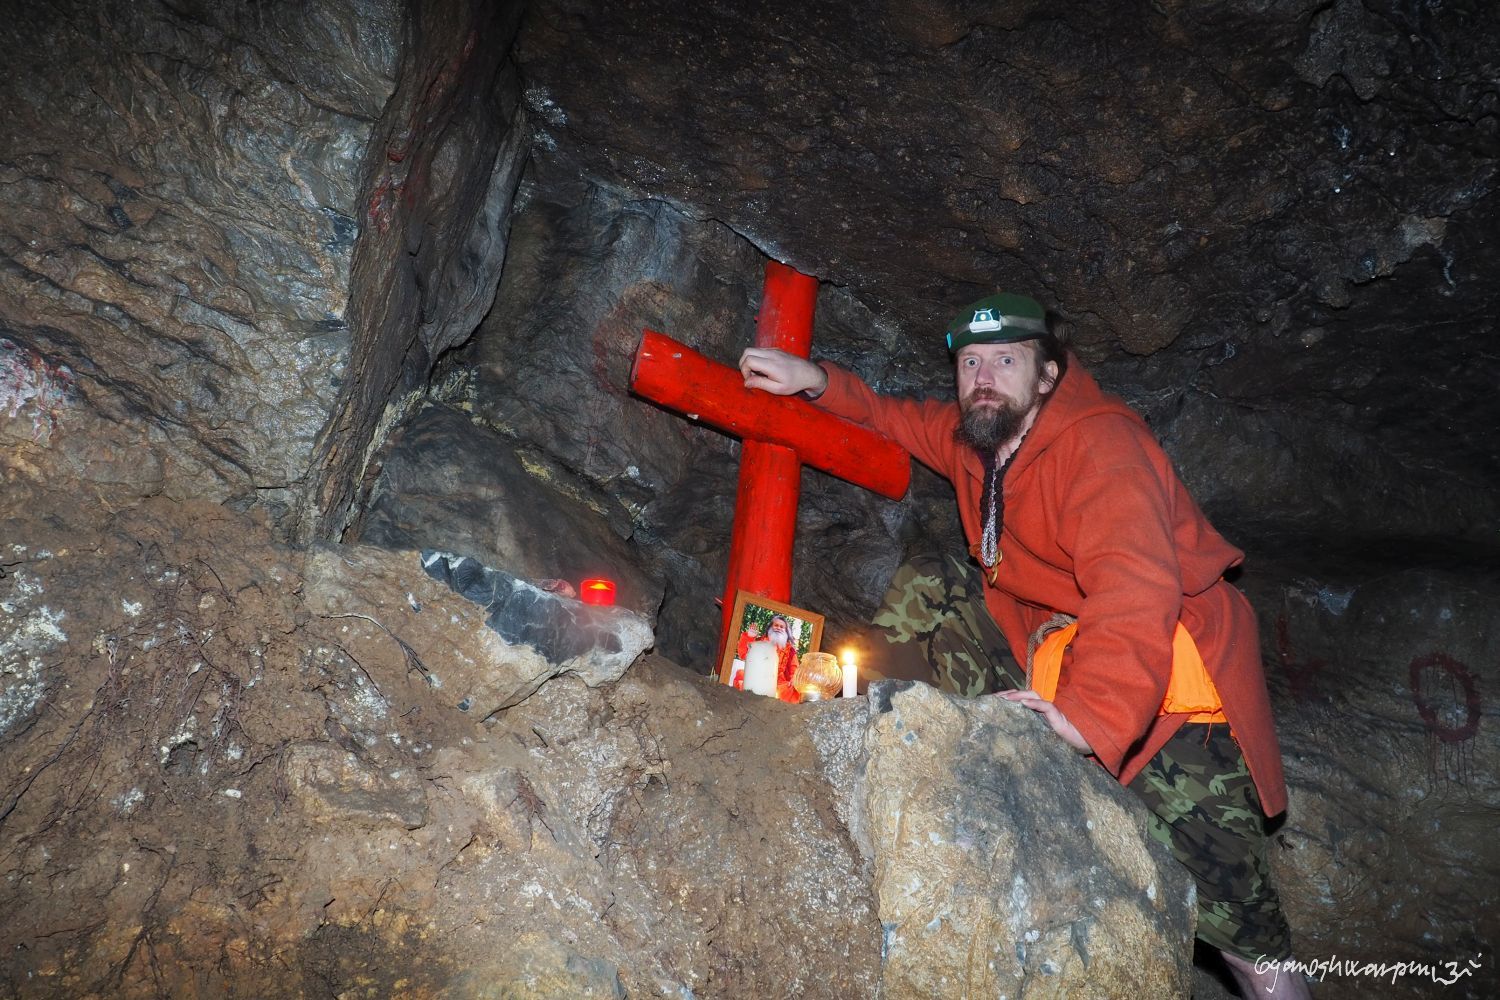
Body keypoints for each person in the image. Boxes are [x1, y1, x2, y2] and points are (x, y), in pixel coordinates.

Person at [739, 292, 1311, 999]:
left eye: (1005, 360)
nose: (983, 375)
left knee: (1245, 931)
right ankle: (895, 743)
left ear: (1047, 375)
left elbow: (1135, 589)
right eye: (970, 361)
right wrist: (820, 382)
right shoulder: (979, 435)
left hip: (1172, 692)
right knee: (934, 580)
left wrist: (1085, 718)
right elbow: (902, 419)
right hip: (1055, 649)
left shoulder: (1102, 445)